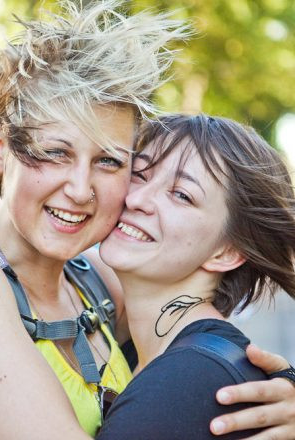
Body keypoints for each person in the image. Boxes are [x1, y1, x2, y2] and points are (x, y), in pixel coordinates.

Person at [0, 2, 295, 439]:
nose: (81, 189)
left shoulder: (99, 288)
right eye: (55, 153)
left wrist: (279, 392)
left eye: (109, 161)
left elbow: (197, 330)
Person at [93, 113, 295, 439]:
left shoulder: (190, 380)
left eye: (181, 195)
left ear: (227, 252)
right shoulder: (141, 352)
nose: (136, 199)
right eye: (140, 174)